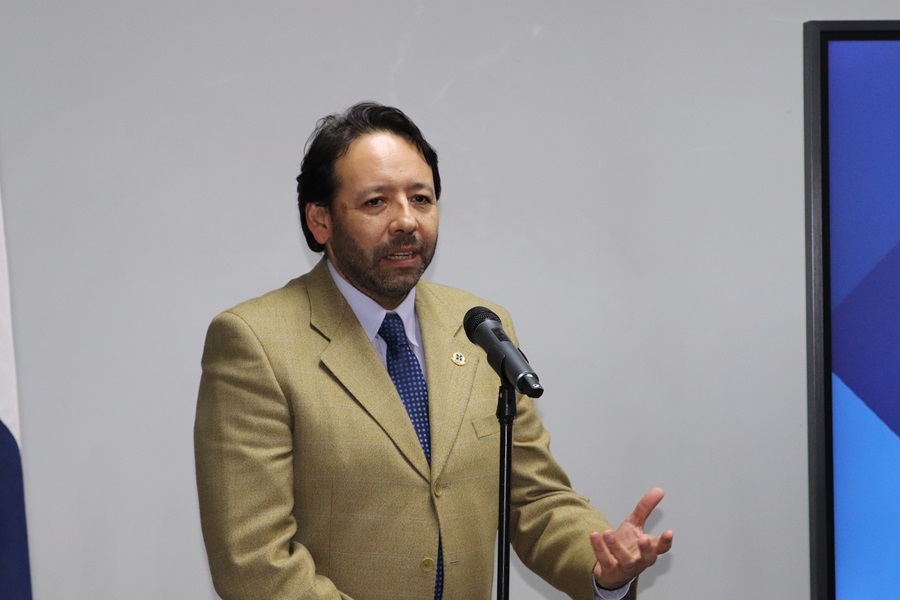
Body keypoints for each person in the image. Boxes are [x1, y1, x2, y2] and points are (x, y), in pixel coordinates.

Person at [194, 102, 673, 600]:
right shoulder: (254, 342)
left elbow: (533, 500)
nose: (407, 221)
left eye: (421, 199)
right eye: (376, 202)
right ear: (320, 221)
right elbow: (253, 563)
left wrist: (602, 566)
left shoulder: (480, 327)